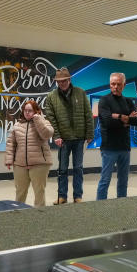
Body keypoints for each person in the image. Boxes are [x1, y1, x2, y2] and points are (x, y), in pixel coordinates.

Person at [44, 67, 93, 204]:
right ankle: (62, 196)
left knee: (78, 168)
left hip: (79, 137)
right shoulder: (51, 96)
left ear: (69, 80)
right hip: (63, 139)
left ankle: (78, 196)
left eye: (64, 81)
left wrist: (89, 133)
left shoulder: (80, 93)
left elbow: (88, 114)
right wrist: (57, 136)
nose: (61, 84)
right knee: (62, 169)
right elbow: (51, 118)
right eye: (59, 82)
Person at [96, 72, 137, 200]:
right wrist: (126, 118)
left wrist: (117, 116)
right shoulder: (104, 100)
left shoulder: (128, 101)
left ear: (124, 85)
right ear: (110, 84)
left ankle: (122, 206)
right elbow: (107, 122)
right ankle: (99, 207)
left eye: (118, 84)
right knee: (105, 180)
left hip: (125, 147)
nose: (115, 87)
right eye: (113, 84)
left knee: (123, 180)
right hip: (109, 147)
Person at [4, 100, 54, 206]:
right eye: (25, 110)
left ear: (36, 111)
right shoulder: (17, 125)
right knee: (20, 192)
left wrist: (38, 120)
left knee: (39, 192)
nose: (27, 112)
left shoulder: (44, 122)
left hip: (39, 164)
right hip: (20, 164)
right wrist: (9, 160)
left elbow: (47, 134)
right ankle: (19, 214)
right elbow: (10, 144)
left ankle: (39, 215)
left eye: (30, 110)